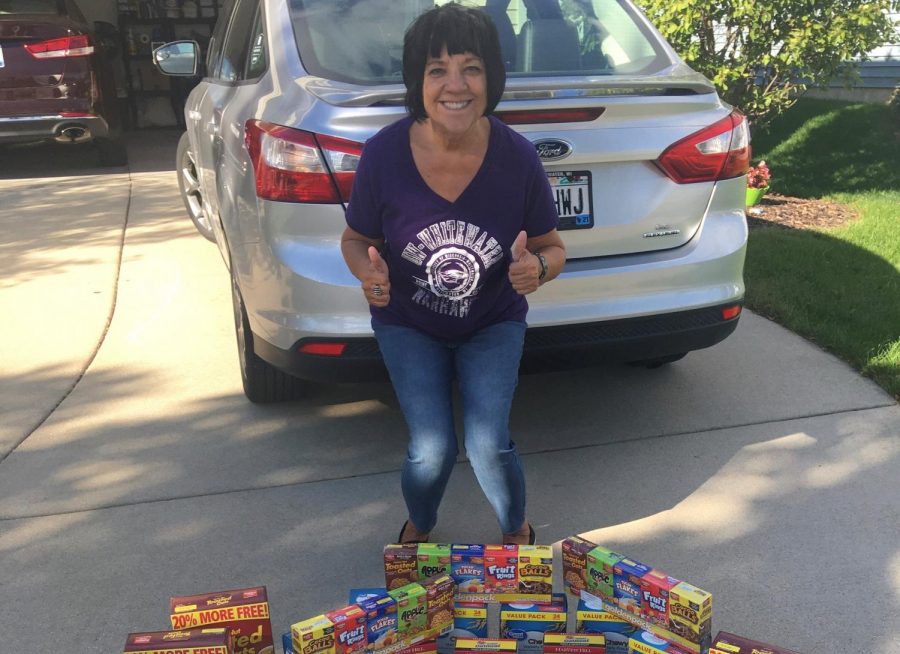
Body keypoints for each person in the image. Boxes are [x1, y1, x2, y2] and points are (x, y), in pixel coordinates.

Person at [340, 2, 566, 545]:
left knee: (488, 443)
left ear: (492, 78)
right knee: (432, 448)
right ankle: (419, 526)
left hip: (493, 320)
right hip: (407, 322)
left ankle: (517, 534)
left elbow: (553, 248)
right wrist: (367, 277)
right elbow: (356, 240)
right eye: (437, 69)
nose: (455, 85)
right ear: (417, 82)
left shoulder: (518, 158)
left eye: (471, 67)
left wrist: (536, 268)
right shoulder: (382, 156)